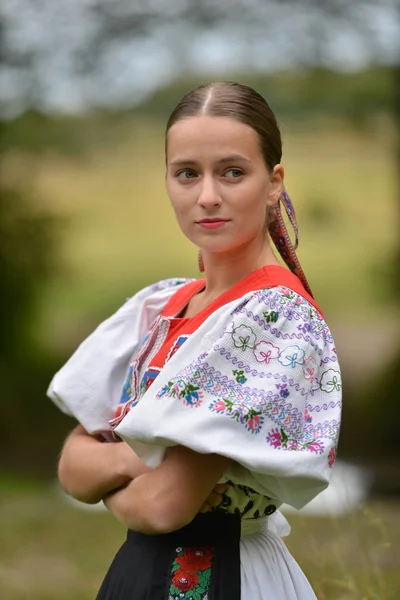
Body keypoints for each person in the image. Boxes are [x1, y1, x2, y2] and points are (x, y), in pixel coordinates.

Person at [48, 81, 342, 600]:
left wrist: (110, 476)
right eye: (187, 173)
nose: (207, 196)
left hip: (224, 573)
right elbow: (72, 465)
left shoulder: (271, 321)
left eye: (232, 172)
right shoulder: (161, 306)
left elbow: (164, 506)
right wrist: (139, 460)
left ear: (274, 183)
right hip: (135, 574)